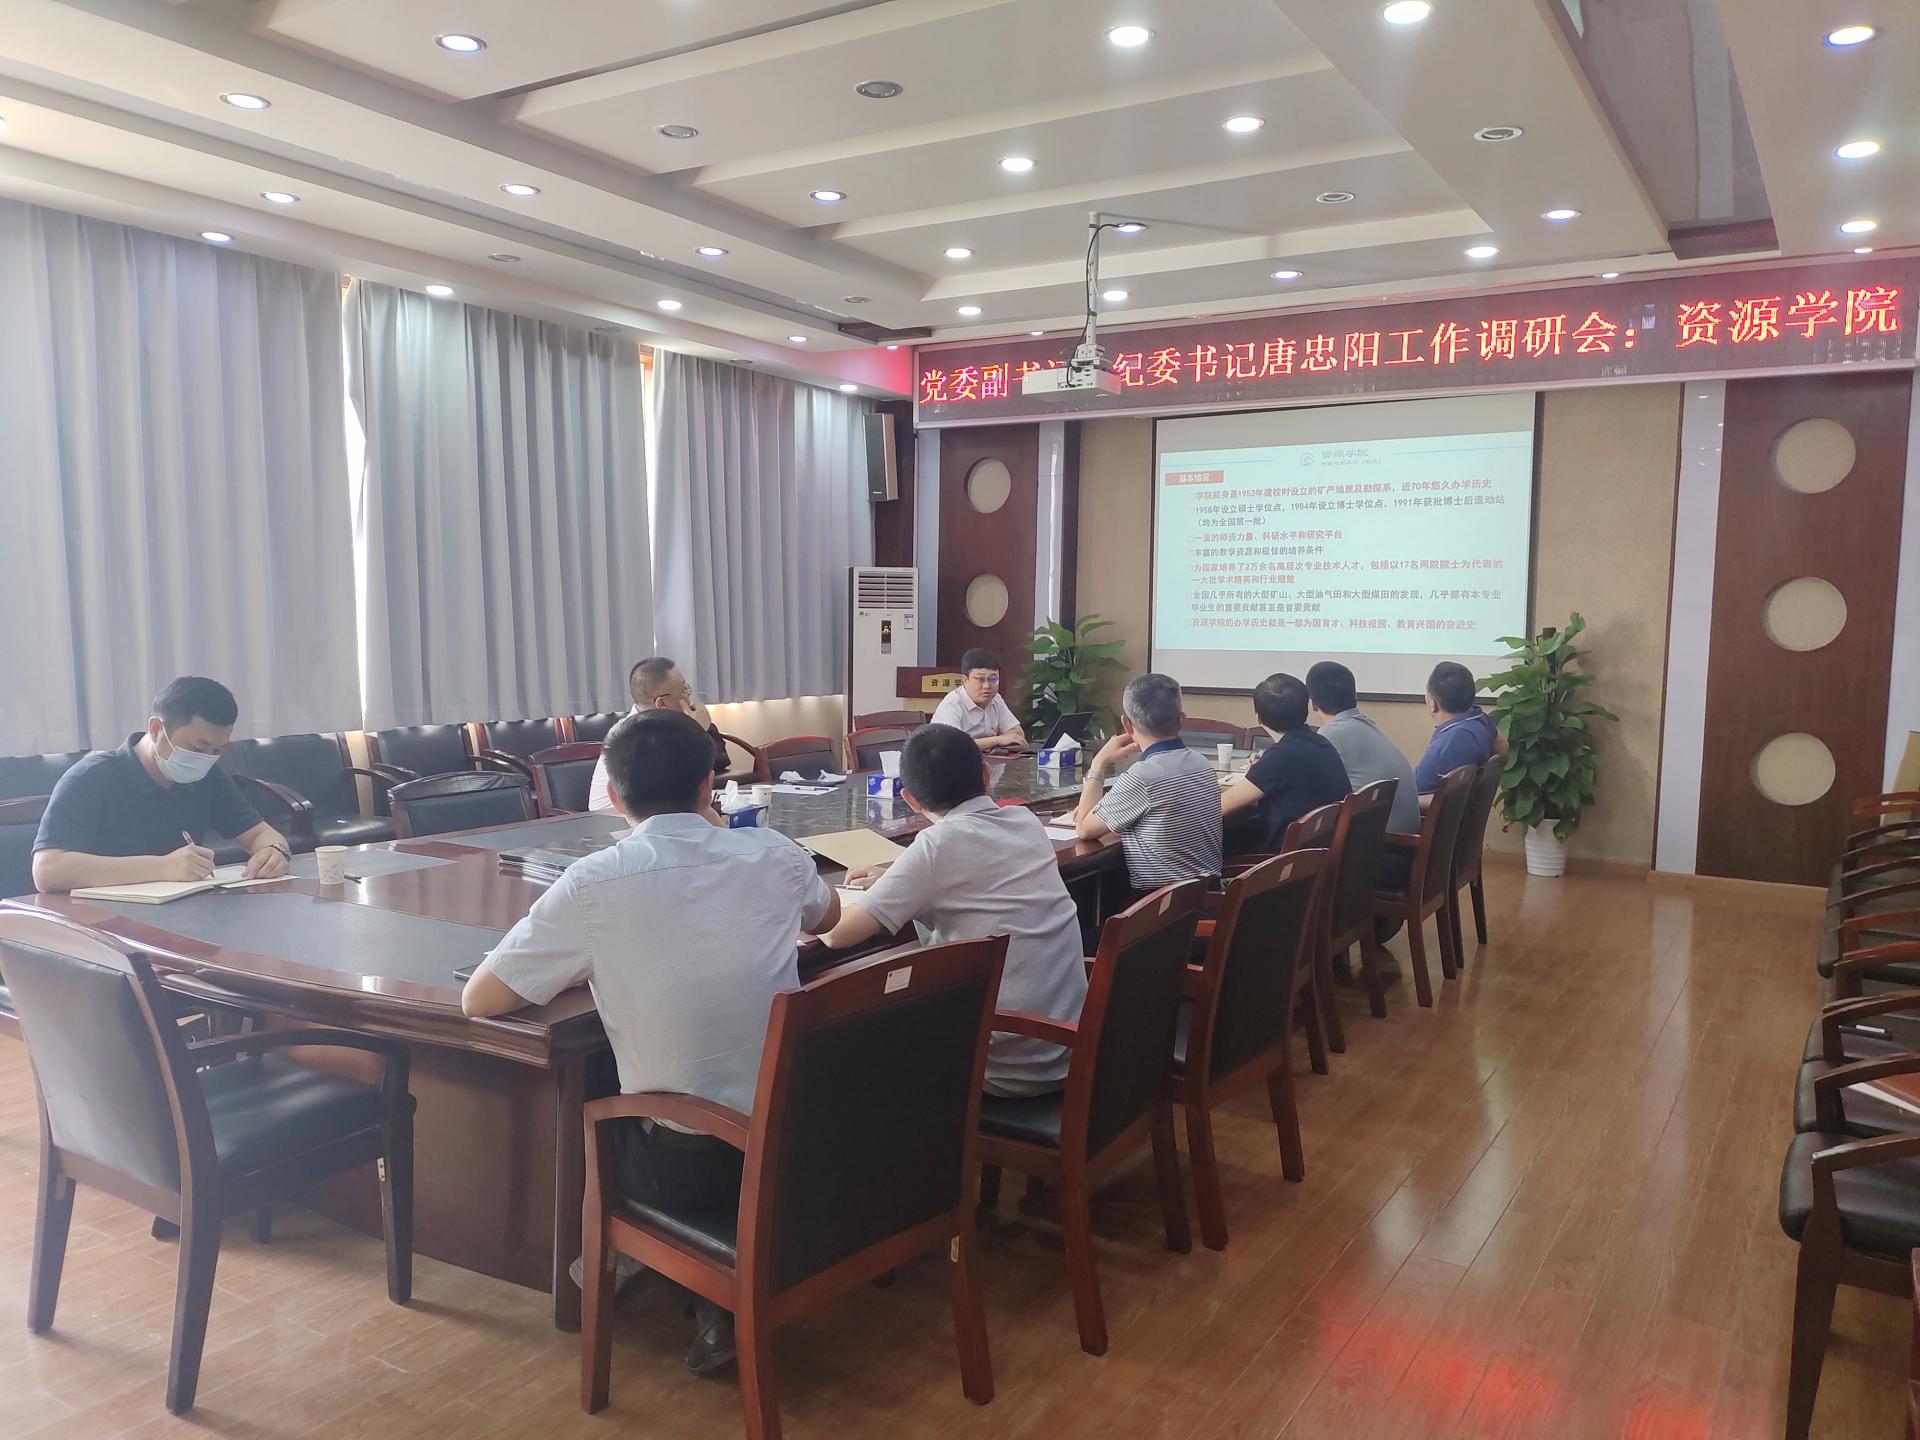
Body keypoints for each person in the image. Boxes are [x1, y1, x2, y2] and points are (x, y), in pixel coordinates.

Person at [461, 710, 838, 1374]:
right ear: (708, 785)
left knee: (606, 1089)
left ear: (613, 795)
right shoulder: (776, 853)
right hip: (801, 1134)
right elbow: (828, 914)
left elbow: (481, 998)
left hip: (691, 1167)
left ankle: (644, 1264)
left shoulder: (594, 881)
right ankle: (694, 1277)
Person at [817, 723, 1087, 1096]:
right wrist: (895, 879)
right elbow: (971, 874)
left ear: (910, 799)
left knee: (856, 1031)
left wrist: (806, 893)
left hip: (1004, 1063)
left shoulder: (935, 847)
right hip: (1070, 1043)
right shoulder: (1025, 822)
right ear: (986, 774)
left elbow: (835, 933)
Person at [32, 676, 292, 893]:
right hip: (100, 922)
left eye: (218, 750)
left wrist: (275, 851)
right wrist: (163, 867)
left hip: (186, 918)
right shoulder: (90, 778)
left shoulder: (207, 775)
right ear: (156, 729)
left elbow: (259, 834)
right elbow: (47, 870)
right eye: (197, 747)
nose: (206, 759)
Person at [1073, 673, 1221, 893]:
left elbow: (1084, 829)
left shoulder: (1142, 777)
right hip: (1207, 895)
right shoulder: (1203, 764)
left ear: (1127, 724)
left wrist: (1099, 762)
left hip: (1162, 907)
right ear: (1181, 719)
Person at [1305, 660, 1420, 889]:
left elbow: (1301, 784)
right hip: (1406, 850)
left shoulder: (1330, 736)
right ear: (1354, 695)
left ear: (1313, 703)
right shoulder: (1367, 726)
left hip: (1382, 858)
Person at [1221, 673, 1352, 852]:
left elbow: (1220, 807)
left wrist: (1262, 769)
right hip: (1318, 852)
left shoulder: (1281, 757)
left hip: (1285, 860)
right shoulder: (1319, 742)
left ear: (1259, 717)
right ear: (1306, 709)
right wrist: (1262, 768)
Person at [587, 656, 733, 814]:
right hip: (616, 819)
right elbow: (688, 778)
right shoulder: (638, 735)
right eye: (684, 690)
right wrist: (698, 728)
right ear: (662, 703)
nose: (689, 696)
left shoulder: (657, 725)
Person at [1414, 661, 1505, 795]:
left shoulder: (1446, 746)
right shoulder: (1481, 719)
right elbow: (1503, 749)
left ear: (1433, 704)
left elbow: (1416, 795)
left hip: (1422, 806)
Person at [930, 648, 1026, 751]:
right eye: (980, 679)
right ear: (965, 680)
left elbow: (1017, 733)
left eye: (993, 679)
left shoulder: (995, 699)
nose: (987, 686)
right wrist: (998, 740)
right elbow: (952, 745)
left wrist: (993, 742)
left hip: (987, 759)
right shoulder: (952, 704)